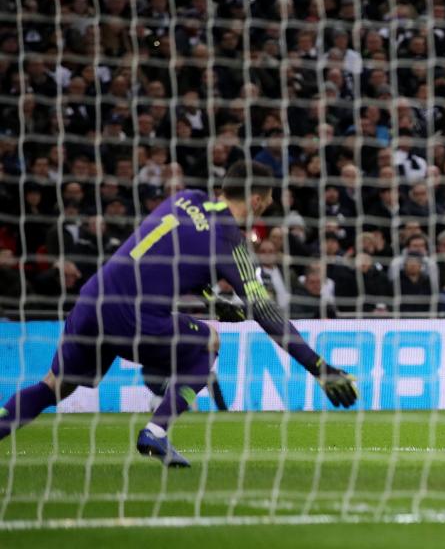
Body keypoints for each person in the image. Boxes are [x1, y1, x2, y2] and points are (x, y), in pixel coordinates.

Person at [0, 162, 358, 467]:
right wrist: (318, 367)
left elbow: (166, 251)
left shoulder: (186, 198)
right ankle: (156, 431)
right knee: (208, 341)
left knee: (54, 386)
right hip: (133, 316)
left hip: (94, 298)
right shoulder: (231, 242)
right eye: (267, 202)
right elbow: (265, 311)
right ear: (257, 199)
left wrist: (210, 299)